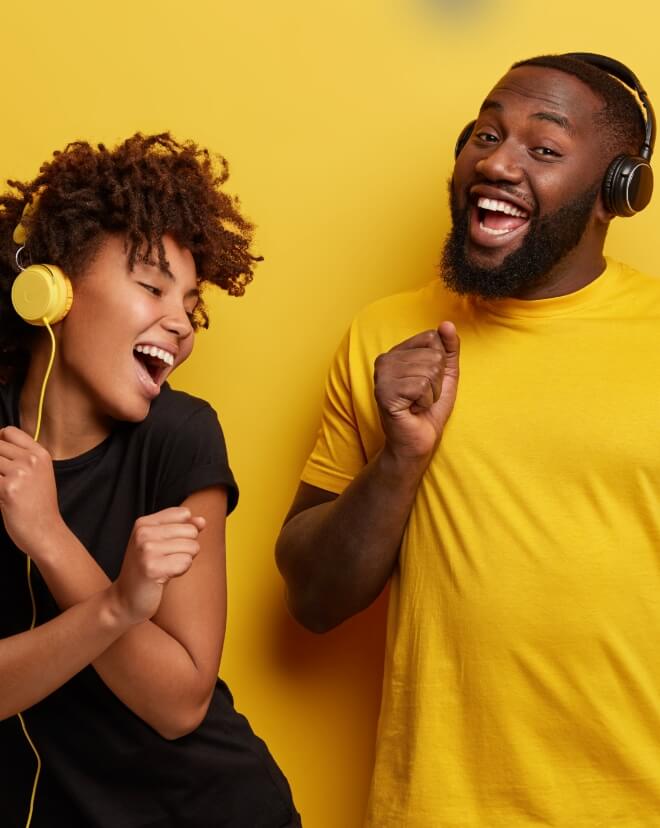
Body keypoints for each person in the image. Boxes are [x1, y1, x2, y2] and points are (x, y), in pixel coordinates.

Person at [276, 53, 660, 827]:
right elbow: (314, 601)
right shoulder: (386, 336)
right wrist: (400, 457)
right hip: (436, 810)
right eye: (485, 134)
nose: (497, 162)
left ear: (618, 190)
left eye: (543, 149)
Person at [0, 133, 300, 827]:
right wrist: (116, 607)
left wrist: (49, 538)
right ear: (53, 288)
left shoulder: (181, 437)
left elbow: (178, 705)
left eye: (189, 302)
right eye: (150, 285)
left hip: (208, 809)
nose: (180, 323)